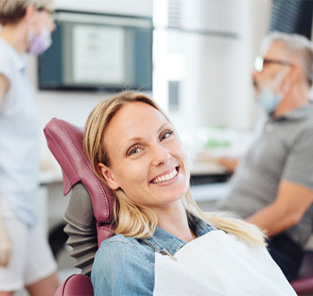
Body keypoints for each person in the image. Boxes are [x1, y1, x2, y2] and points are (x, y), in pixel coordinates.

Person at [84, 91, 296, 295]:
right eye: (135, 150)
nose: (163, 156)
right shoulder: (124, 257)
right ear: (109, 175)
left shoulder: (237, 236)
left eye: (165, 135)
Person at [216, 32, 313, 281]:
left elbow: (287, 212)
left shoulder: (308, 130)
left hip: (270, 244)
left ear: (290, 73)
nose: (254, 74)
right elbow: (266, 164)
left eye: (262, 63)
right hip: (237, 231)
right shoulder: (273, 120)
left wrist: (226, 241)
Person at [0, 1, 59, 295]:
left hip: (23, 203)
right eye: (51, 16)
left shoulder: (15, 64)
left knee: (50, 286)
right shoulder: (2, 62)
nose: (52, 26)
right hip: (6, 207)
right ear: (30, 11)